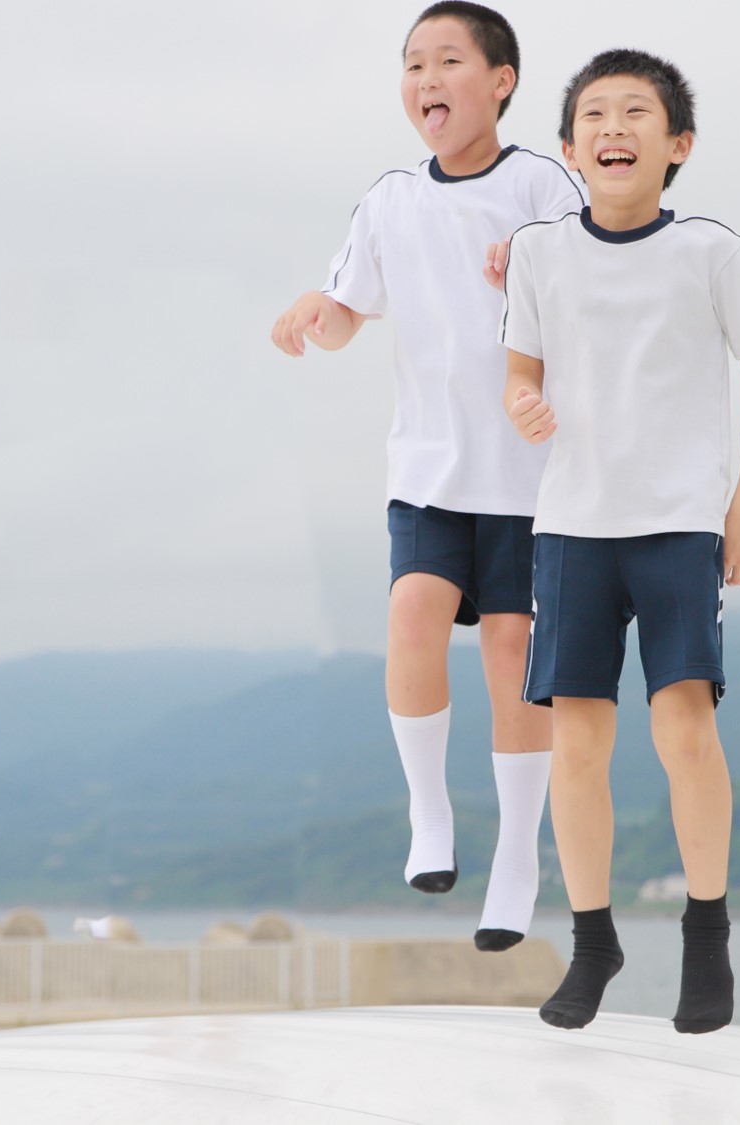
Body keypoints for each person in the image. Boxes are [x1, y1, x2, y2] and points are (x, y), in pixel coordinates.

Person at [270, 2, 583, 951]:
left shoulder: (540, 183)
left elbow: (589, 285)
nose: (427, 79)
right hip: (428, 467)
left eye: (450, 60)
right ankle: (430, 813)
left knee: (510, 650)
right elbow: (347, 313)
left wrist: (530, 264)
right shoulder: (390, 200)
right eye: (413, 64)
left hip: (528, 475)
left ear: (501, 81)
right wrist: (316, 311)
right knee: (411, 614)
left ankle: (518, 858)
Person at [499, 48, 740, 1031]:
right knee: (576, 747)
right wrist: (524, 401)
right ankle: (593, 944)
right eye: (594, 114)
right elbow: (517, 373)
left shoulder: (711, 251)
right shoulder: (538, 252)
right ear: (568, 146)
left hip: (676, 524)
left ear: (679, 145)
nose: (613, 127)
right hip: (570, 529)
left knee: (684, 733)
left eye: (636, 113)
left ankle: (705, 940)